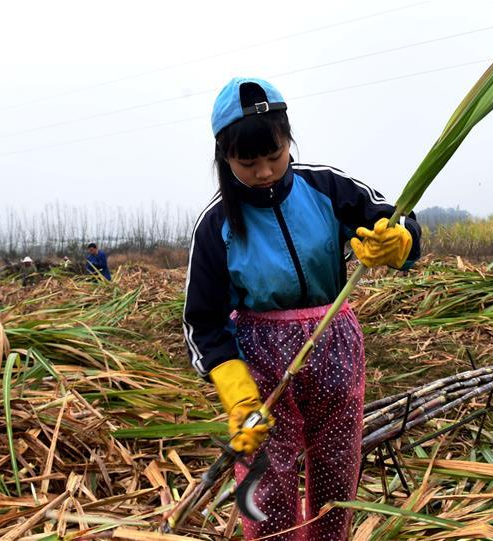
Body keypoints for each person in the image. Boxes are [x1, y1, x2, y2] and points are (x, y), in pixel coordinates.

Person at [182, 77, 422, 541]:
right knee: (267, 480)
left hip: (333, 344)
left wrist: (398, 242)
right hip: (262, 362)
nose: (265, 172)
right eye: (248, 163)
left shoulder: (327, 187)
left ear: (288, 141)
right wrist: (236, 390)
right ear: (224, 157)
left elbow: (396, 218)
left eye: (274, 156)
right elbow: (202, 321)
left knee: (336, 467)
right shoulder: (216, 225)